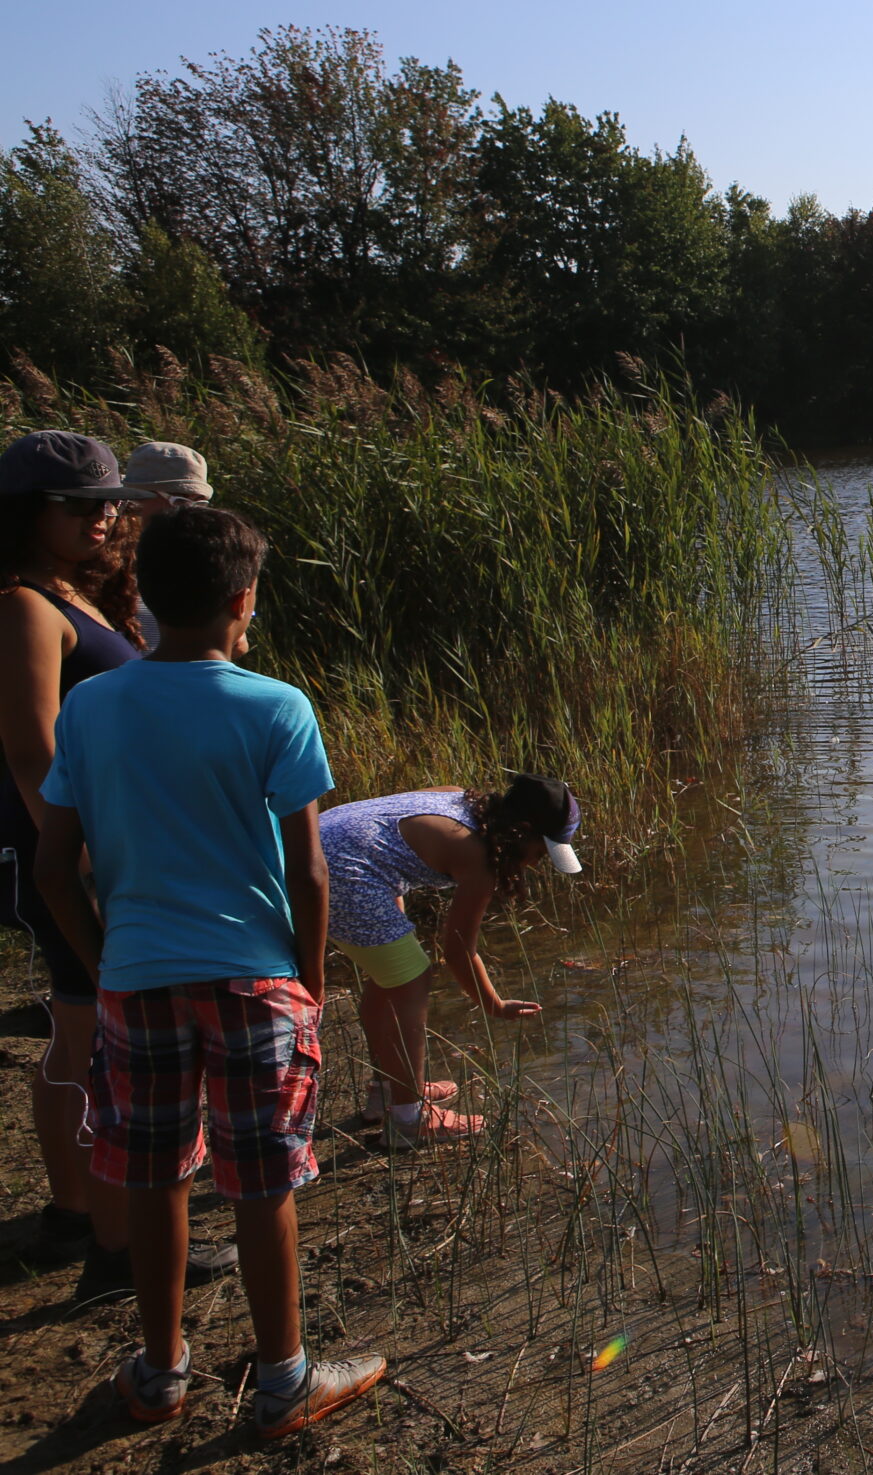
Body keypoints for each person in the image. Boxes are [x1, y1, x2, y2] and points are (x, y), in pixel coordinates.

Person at [36, 504, 385, 1434]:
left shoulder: (90, 705)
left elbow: (52, 862)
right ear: (244, 600)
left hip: (137, 976)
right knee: (261, 1182)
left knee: (155, 1175)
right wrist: (308, 985)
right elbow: (307, 870)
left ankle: (159, 1374)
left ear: (144, 596)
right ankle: (283, 1380)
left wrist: (101, 961)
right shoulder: (276, 705)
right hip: (255, 976)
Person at [0, 430, 233, 1300]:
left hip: (94, 843)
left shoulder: (78, 592)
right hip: (57, 848)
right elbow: (33, 750)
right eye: (79, 505)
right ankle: (101, 1235)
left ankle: (92, 1219)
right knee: (86, 1028)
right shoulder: (24, 604)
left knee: (91, 1028)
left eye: (108, 502)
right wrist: (87, 857)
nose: (103, 517)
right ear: (30, 512)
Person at [319, 775, 577, 1147]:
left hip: (319, 847)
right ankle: (409, 1120)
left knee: (391, 976)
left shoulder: (457, 799)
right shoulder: (477, 856)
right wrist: (494, 1004)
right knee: (413, 979)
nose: (538, 864)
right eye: (540, 853)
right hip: (341, 873)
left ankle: (388, 1090)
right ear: (520, 833)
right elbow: (457, 950)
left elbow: (381, 837)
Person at [121, 442, 211, 652]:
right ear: (135, 498)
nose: (190, 515)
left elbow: (237, 644)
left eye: (199, 504)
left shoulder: (200, 563)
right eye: (180, 501)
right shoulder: (100, 561)